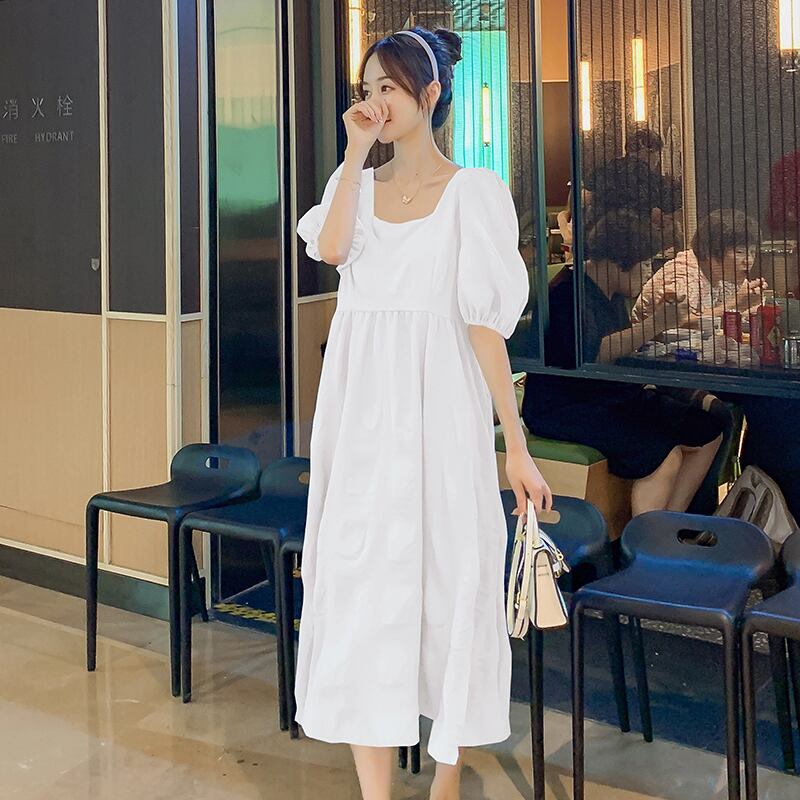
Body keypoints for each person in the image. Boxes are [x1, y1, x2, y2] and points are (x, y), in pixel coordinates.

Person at [294, 26, 552, 800]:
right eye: (367, 88)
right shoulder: (355, 187)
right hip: (361, 416)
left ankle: (445, 778)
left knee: (453, 579)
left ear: (431, 94)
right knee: (359, 587)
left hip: (441, 414)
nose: (375, 102)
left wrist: (514, 445)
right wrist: (351, 157)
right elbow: (330, 250)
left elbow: (484, 329)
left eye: (391, 88)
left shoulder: (474, 193)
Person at [521, 209, 724, 517]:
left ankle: (669, 527)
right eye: (644, 264)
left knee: (708, 430)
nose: (648, 273)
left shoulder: (613, 294)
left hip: (609, 395)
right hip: (562, 407)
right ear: (617, 262)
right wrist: (655, 323)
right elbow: (591, 353)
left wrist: (658, 324)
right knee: (662, 455)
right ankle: (643, 541)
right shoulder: (566, 293)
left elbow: (620, 344)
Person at [630, 209, 765, 326]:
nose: (749, 260)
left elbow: (747, 309)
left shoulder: (727, 274)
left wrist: (753, 306)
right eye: (740, 252)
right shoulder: (682, 275)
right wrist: (736, 305)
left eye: (753, 252)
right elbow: (675, 324)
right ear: (709, 251)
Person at [583, 128, 682, 233]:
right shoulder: (647, 177)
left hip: (600, 233)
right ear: (646, 150)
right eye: (657, 154)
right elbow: (673, 201)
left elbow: (585, 197)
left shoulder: (604, 170)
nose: (658, 160)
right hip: (635, 236)